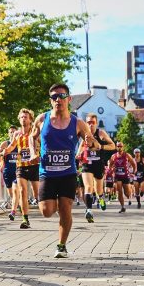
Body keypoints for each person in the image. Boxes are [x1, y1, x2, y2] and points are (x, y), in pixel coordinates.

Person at [29, 83, 96, 258]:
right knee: (46, 211)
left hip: (68, 173)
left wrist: (90, 142)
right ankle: (58, 208)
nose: (58, 99)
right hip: (47, 173)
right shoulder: (42, 119)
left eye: (62, 96)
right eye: (54, 97)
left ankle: (61, 245)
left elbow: (93, 143)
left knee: (66, 208)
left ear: (69, 99)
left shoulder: (78, 123)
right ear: (50, 101)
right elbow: (31, 136)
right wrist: (32, 152)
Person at [0, 109, 40, 229]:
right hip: (21, 166)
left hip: (33, 165)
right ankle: (25, 219)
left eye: (26, 117)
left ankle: (46, 205)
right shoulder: (17, 134)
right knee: (22, 191)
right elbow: (12, 146)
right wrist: (4, 151)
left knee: (37, 194)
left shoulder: (35, 132)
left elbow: (43, 144)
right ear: (19, 119)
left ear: (30, 119)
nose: (23, 119)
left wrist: (39, 154)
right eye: (22, 117)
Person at [77, 113, 115, 222]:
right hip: (87, 165)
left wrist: (100, 146)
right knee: (88, 187)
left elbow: (112, 146)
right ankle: (89, 210)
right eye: (88, 122)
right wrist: (78, 154)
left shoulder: (101, 133)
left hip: (98, 165)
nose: (90, 125)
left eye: (92, 122)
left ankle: (101, 198)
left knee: (98, 190)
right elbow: (80, 147)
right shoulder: (84, 134)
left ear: (96, 123)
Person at [0, 126, 20, 221]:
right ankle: (19, 204)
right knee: (11, 193)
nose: (12, 133)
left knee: (15, 191)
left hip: (18, 171)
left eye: (14, 132)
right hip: (7, 170)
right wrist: (3, 153)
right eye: (11, 132)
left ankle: (13, 211)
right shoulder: (5, 143)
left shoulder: (20, 143)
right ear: (8, 133)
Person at [108, 142, 137, 213]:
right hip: (117, 176)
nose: (119, 147)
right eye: (118, 146)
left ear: (123, 147)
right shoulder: (113, 156)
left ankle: (129, 196)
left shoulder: (127, 155)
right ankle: (123, 206)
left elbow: (133, 164)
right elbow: (110, 166)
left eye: (121, 146)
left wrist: (134, 171)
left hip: (125, 176)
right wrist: (112, 170)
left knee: (127, 193)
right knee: (119, 191)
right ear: (116, 147)